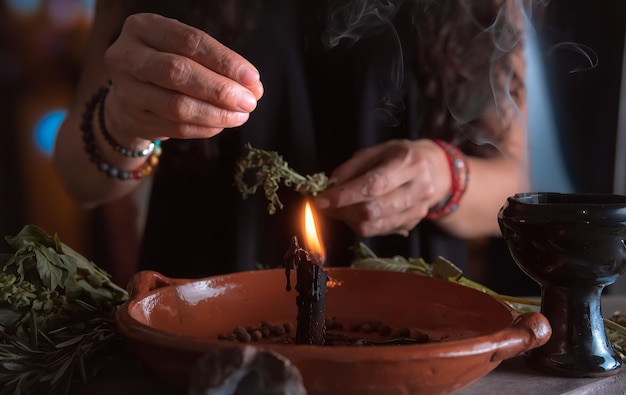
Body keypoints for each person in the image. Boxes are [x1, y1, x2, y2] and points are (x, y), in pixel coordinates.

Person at [53, 0, 529, 283]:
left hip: (408, 319)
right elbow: (80, 177)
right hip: (199, 309)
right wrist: (123, 121)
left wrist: (444, 177)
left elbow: (517, 184)